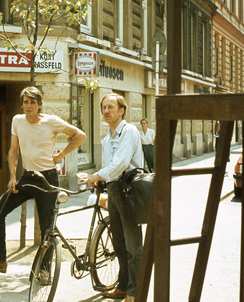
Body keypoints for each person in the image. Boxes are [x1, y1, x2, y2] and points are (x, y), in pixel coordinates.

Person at [0, 86, 86, 273]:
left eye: (33, 102)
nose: (29, 106)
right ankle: (0, 260)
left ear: (39, 105)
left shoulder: (52, 121)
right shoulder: (17, 121)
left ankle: (44, 271)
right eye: (25, 102)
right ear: (21, 105)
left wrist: (61, 155)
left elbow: (80, 135)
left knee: (46, 229)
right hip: (27, 177)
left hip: (47, 179)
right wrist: (12, 176)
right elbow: (13, 151)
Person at [78, 94, 144, 302]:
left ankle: (136, 291)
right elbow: (109, 166)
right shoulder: (107, 138)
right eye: (103, 108)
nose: (106, 111)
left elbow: (121, 163)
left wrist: (96, 175)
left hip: (129, 188)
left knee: (133, 244)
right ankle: (123, 287)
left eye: (110, 107)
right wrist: (98, 180)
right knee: (119, 243)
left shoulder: (129, 131)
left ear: (121, 110)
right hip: (115, 189)